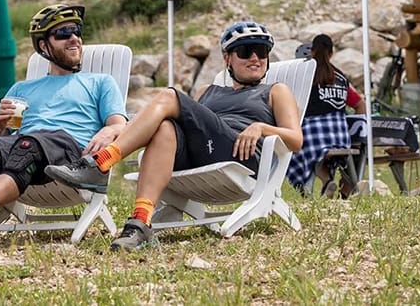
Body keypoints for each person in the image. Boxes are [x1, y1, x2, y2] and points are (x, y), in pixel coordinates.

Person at [46, 21, 303, 252]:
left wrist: (261, 127)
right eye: (246, 51)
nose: (255, 58)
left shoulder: (275, 91)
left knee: (170, 96)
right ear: (228, 59)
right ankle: (140, 221)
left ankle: (101, 162)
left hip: (241, 155)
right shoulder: (207, 91)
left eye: (262, 52)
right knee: (165, 127)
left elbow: (295, 138)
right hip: (205, 153)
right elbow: (194, 125)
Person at [0, 3, 127, 252]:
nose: (74, 38)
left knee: (29, 144)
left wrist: (109, 131)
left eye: (76, 31)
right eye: (63, 33)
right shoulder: (21, 89)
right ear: (44, 46)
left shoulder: (100, 82)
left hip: (69, 154)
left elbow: (120, 125)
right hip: (26, 156)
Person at [287, 34, 365, 195]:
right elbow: (360, 104)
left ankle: (309, 189)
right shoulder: (341, 77)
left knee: (293, 149)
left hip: (313, 136)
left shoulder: (306, 76)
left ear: (312, 52)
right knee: (323, 153)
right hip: (340, 137)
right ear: (332, 53)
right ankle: (327, 182)